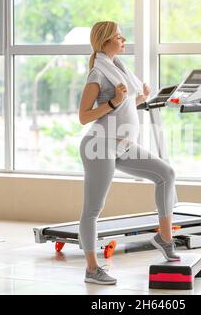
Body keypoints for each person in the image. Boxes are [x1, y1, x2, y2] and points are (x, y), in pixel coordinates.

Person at [78, 21, 180, 285]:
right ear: (105, 42)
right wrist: (113, 101)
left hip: (121, 144)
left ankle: (164, 239)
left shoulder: (117, 68)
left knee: (166, 174)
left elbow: (121, 108)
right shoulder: (98, 75)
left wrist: (139, 99)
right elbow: (83, 116)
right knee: (93, 209)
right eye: (119, 37)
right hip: (99, 145)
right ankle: (92, 270)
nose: (124, 40)